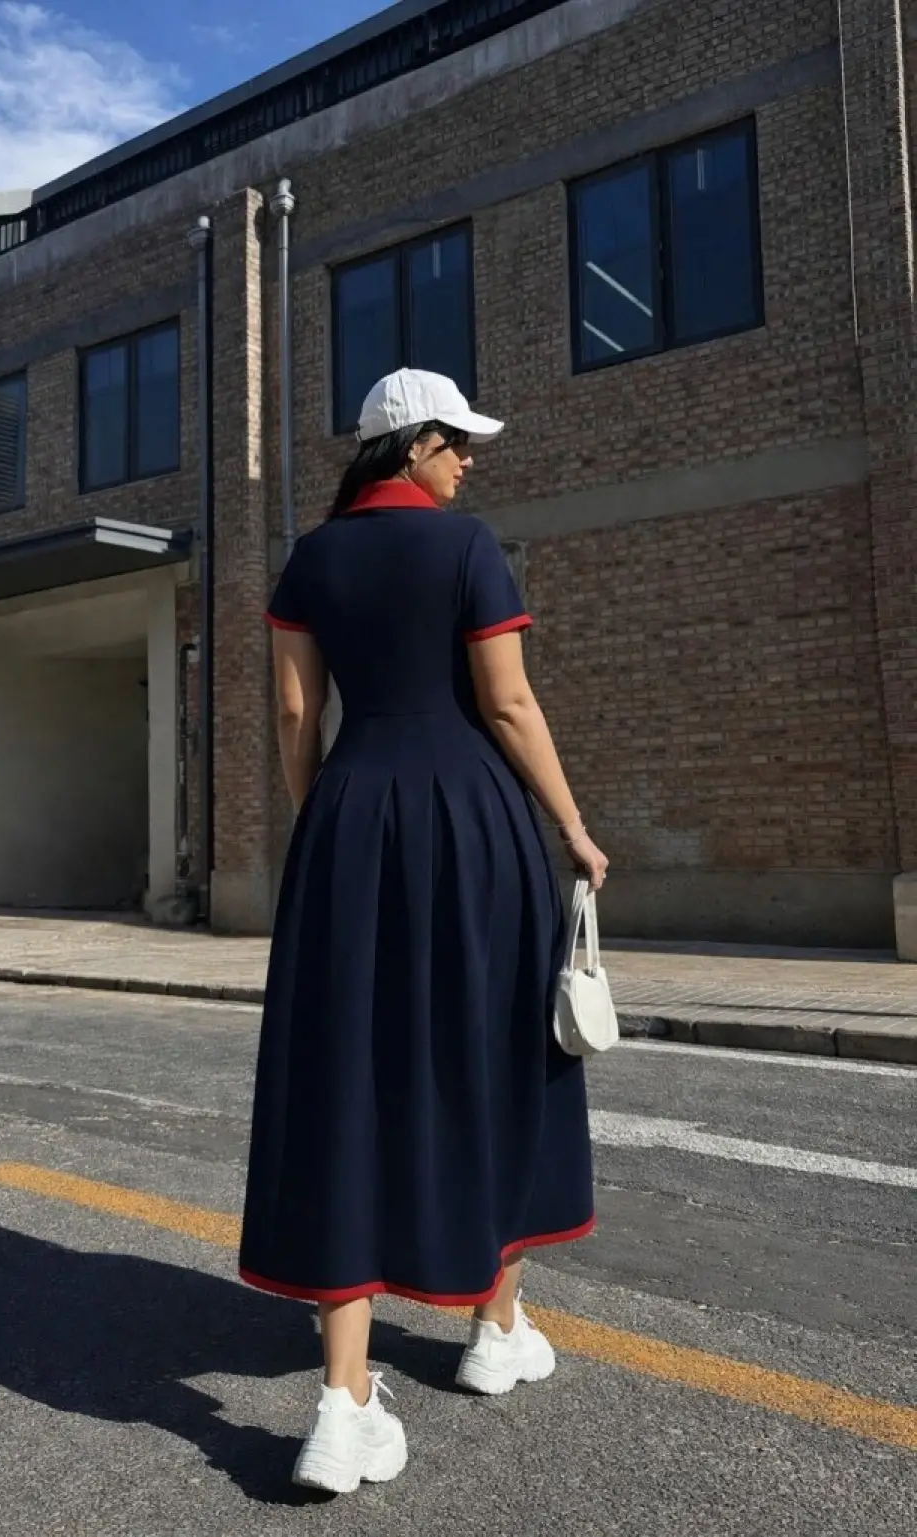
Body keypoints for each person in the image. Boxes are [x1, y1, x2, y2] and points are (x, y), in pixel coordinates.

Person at [239, 367, 608, 1494]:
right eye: (457, 441)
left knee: (346, 1077)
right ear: (412, 446)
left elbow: (295, 710)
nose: (469, 460)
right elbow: (507, 702)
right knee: (498, 1055)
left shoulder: (310, 557)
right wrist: (574, 828)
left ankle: (342, 1403)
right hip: (472, 823)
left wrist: (324, 816)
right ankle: (494, 1327)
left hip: (351, 821)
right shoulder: (465, 546)